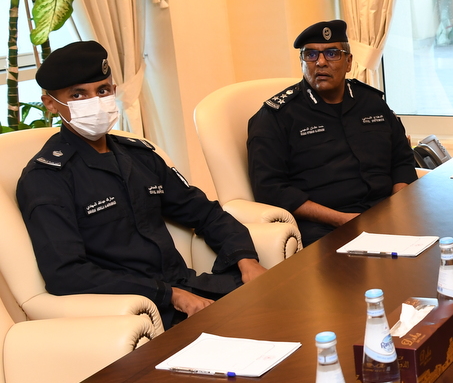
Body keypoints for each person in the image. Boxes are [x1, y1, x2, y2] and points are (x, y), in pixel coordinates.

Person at [16, 41, 267, 331]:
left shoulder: (139, 155)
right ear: (50, 103)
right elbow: (66, 273)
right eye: (78, 95)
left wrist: (245, 259)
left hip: (191, 291)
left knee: (288, 311)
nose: (95, 102)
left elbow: (204, 213)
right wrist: (170, 295)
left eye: (102, 90)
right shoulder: (47, 177)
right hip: (137, 314)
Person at [247, 20, 418, 246]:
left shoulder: (371, 102)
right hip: (325, 228)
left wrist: (396, 207)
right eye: (310, 55)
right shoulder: (276, 116)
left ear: (348, 62)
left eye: (331, 54)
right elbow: (270, 188)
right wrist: (342, 220)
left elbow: (402, 160)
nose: (320, 62)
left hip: (387, 215)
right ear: (301, 62)